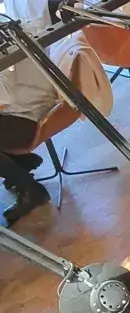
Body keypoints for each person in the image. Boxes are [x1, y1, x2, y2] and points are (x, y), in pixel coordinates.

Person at [0, 0, 57, 225]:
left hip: (26, 114)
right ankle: (19, 164)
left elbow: (3, 98)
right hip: (22, 105)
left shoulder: (3, 34)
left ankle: (31, 191)